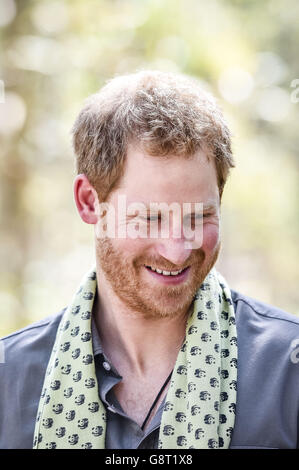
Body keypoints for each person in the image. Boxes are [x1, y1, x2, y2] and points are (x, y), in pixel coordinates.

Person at [0, 70, 298, 450]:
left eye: (198, 217)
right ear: (90, 202)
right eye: (150, 218)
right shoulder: (8, 380)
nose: (176, 250)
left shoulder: (289, 375)